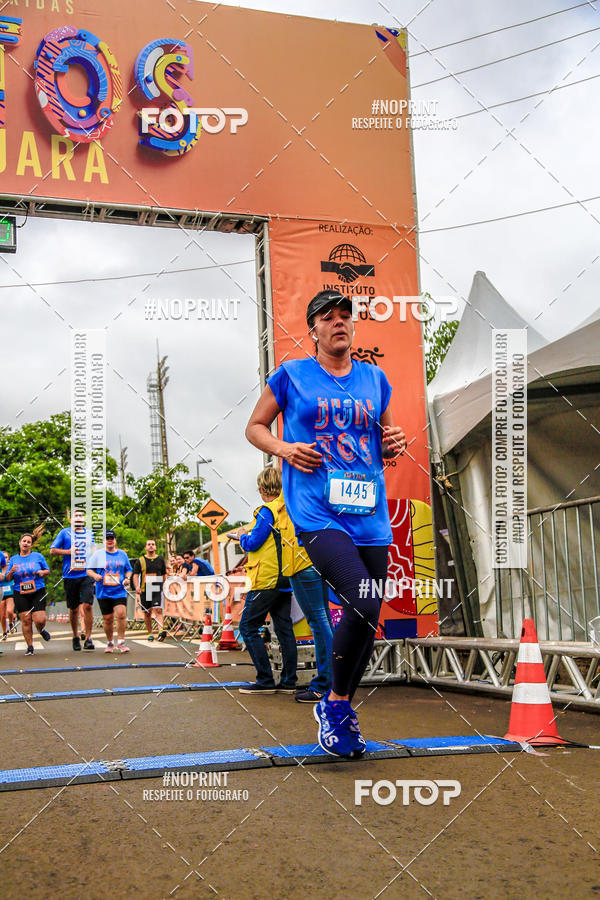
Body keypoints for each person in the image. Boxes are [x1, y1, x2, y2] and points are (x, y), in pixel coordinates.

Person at [245, 289, 406, 757]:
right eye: (328, 317)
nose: (339, 322)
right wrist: (283, 449)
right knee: (359, 597)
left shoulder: (375, 379)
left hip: (369, 513)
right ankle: (336, 707)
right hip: (318, 512)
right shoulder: (292, 375)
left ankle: (338, 705)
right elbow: (255, 426)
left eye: (345, 316)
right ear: (312, 329)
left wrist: (392, 443)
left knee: (370, 612)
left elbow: (387, 441)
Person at [229, 467, 297, 694]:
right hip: (286, 577)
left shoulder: (266, 511)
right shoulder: (289, 509)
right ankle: (289, 681)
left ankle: (265, 680)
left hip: (265, 578)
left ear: (261, 488)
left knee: (248, 627)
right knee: (284, 629)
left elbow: (253, 543)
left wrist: (241, 536)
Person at [276, 492, 334, 703]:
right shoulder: (313, 489)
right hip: (316, 556)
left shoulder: (292, 489)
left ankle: (325, 684)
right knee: (324, 620)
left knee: (319, 622)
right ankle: (335, 682)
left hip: (301, 561)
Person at [50, 509, 96, 651]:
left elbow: (94, 551)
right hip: (70, 575)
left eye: (81, 516)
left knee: (88, 605)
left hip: (86, 573)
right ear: (71, 520)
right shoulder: (64, 533)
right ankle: (76, 636)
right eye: (75, 516)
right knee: (74, 608)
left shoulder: (89, 533)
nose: (78, 518)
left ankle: (88, 638)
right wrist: (68, 552)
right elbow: (52, 550)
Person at [4, 533, 51, 655]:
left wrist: (42, 572)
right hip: (20, 592)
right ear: (20, 543)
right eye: (24, 541)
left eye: (28, 542)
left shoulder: (38, 556)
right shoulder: (14, 559)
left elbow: (47, 570)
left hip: (37, 590)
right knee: (26, 620)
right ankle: (30, 647)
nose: (26, 543)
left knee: (40, 619)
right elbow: (8, 578)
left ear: (31, 545)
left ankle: (41, 629)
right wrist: (12, 572)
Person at [87, 531, 132, 654]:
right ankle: (110, 642)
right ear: (104, 541)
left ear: (115, 540)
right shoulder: (98, 555)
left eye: (112, 538)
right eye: (107, 538)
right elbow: (89, 570)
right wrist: (95, 576)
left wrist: (127, 578)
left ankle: (121, 642)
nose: (110, 540)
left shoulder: (122, 554)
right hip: (103, 591)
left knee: (121, 614)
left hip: (119, 590)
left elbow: (128, 569)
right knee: (107, 619)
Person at [132, 539, 168, 641]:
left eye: (153, 544)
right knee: (147, 612)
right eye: (149, 544)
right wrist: (137, 587)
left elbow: (164, 574)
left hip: (157, 588)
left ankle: (161, 632)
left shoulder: (160, 559)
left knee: (158, 609)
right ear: (145, 547)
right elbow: (135, 575)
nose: (151, 546)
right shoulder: (140, 560)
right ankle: (150, 633)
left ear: (155, 547)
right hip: (145, 589)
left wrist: (162, 585)